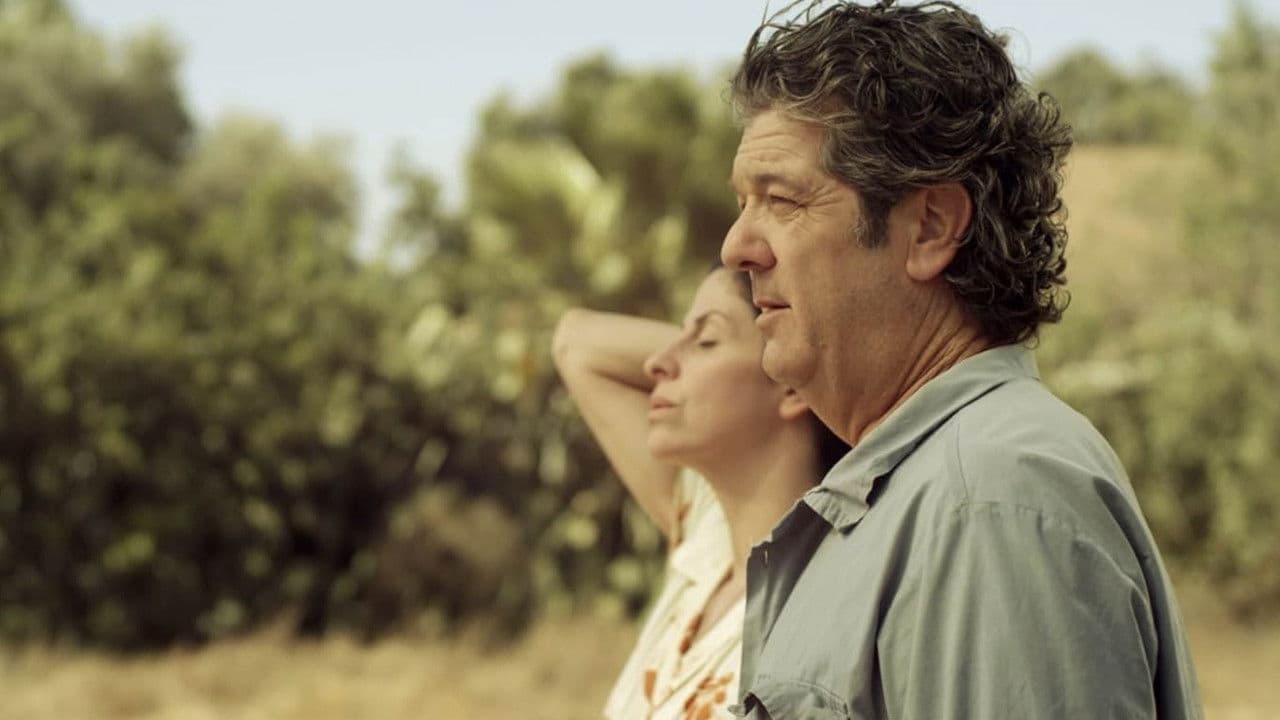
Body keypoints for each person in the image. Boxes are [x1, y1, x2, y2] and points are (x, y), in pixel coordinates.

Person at [718, 2, 1203, 718]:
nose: (736, 247)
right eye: (742, 204)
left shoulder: (989, 503)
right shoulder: (934, 493)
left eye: (782, 200)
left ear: (931, 227)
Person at [552, 266, 846, 719]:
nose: (657, 363)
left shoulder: (827, 614)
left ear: (792, 384)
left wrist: (803, 356)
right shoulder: (706, 539)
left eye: (706, 341)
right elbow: (575, 341)